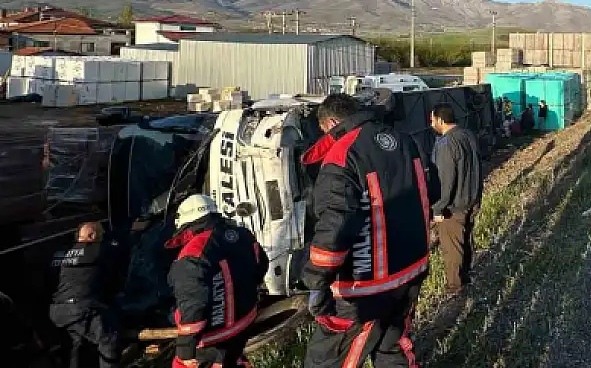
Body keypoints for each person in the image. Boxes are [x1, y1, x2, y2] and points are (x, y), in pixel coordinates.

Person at [301, 92, 434, 368]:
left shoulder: (341, 154)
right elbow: (433, 190)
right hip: (411, 271)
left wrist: (316, 281)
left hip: (364, 287)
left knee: (328, 358)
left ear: (331, 123)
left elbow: (335, 226)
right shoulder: (405, 141)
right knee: (392, 347)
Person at [166, 194, 268, 368]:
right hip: (243, 326)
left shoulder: (193, 253)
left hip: (212, 338)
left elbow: (193, 305)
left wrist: (185, 351)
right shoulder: (242, 235)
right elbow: (261, 266)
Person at [48, 221, 126, 368]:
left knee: (78, 349)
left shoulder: (61, 253)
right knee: (109, 339)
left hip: (59, 311)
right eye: (102, 235)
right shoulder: (98, 249)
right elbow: (118, 261)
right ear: (92, 235)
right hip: (82, 308)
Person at [429, 103, 484, 295]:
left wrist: (437, 209)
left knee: (452, 249)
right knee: (465, 242)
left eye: (432, 120)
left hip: (453, 206)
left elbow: (444, 179)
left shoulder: (445, 144)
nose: (431, 124)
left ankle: (455, 288)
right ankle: (466, 278)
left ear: (441, 120)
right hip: (471, 199)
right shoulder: (468, 135)